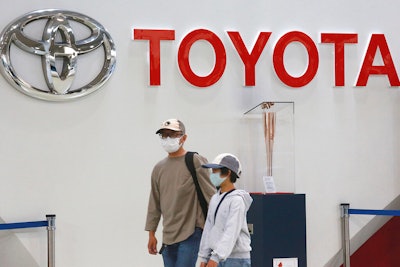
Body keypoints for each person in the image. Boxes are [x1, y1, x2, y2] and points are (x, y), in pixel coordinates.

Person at [145, 118, 216, 267]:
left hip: (191, 232)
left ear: (184, 138)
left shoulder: (195, 161)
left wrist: (215, 233)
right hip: (168, 235)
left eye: (172, 134)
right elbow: (155, 202)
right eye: (164, 135)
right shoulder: (159, 168)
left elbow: (211, 196)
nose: (167, 139)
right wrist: (151, 233)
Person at [198, 153, 253, 267]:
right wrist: (204, 257)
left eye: (215, 171)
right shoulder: (215, 198)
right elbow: (209, 227)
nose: (212, 175)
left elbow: (231, 231)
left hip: (236, 260)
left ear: (228, 173)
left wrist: (215, 258)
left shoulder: (237, 200)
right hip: (217, 257)